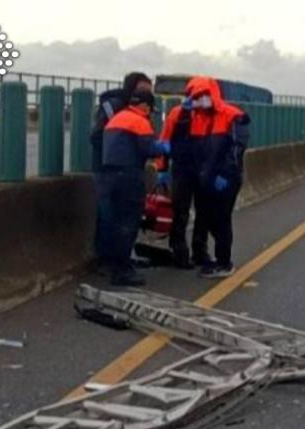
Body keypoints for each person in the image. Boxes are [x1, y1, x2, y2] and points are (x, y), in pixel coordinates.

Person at [157, 76, 250, 277]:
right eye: (195, 96)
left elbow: (234, 149)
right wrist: (162, 168)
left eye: (202, 96)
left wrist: (224, 174)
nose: (199, 100)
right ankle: (180, 251)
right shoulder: (181, 115)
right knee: (180, 211)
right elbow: (166, 140)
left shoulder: (228, 116)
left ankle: (204, 253)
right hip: (185, 170)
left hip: (207, 174)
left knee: (207, 215)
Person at [101, 73, 170, 286]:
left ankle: (116, 265)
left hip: (109, 177)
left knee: (115, 222)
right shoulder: (139, 122)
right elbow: (148, 149)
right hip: (129, 177)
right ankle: (123, 271)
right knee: (128, 224)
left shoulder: (116, 119)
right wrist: (167, 147)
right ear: (146, 107)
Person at [90, 72, 156, 275]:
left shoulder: (136, 109)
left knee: (123, 218)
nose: (147, 95)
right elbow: (97, 137)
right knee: (111, 217)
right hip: (109, 169)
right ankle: (108, 262)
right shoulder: (114, 108)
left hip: (126, 169)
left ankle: (123, 257)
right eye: (144, 90)